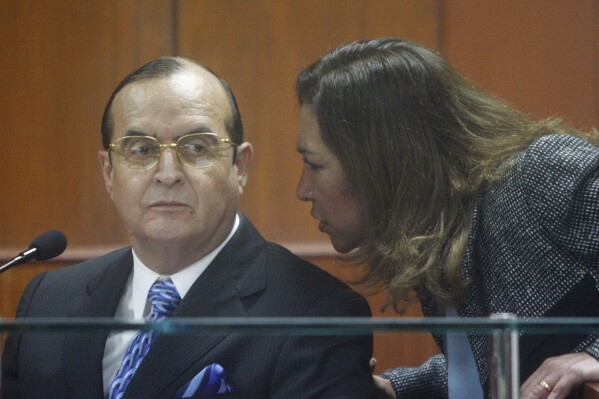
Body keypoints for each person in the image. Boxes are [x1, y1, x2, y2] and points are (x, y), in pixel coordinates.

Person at [1, 56, 376, 399]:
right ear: (109, 173)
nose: (167, 174)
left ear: (239, 167)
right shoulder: (48, 300)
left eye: (196, 147)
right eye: (141, 150)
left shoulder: (317, 314)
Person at [294, 37, 599, 399]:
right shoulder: (437, 232)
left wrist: (595, 356)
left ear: (381, 162)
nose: (303, 189)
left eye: (314, 165)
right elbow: (495, 366)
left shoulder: (540, 172)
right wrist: (399, 388)